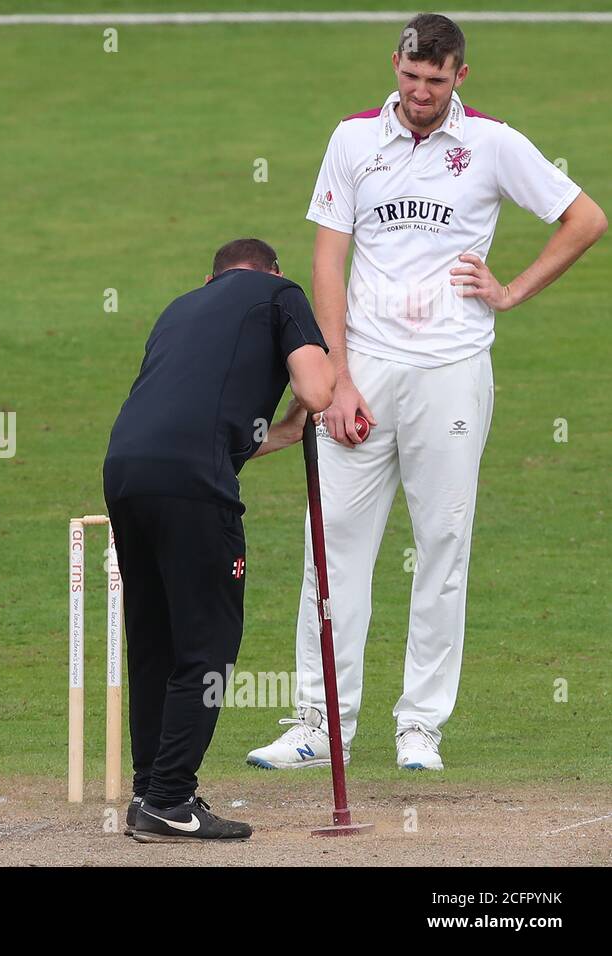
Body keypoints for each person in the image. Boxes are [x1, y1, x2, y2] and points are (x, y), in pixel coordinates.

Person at [247, 14, 607, 773]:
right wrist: (335, 380)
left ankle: (420, 726)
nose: (419, 93)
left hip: (452, 370)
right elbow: (327, 262)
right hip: (364, 371)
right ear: (396, 64)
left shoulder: (493, 144)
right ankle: (319, 722)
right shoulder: (352, 139)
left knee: (442, 546)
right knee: (331, 546)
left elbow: (585, 218)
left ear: (460, 78)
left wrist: (510, 291)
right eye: (410, 77)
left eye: (435, 82)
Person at [103, 239, 335, 842]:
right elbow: (315, 390)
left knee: (154, 638)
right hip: (192, 487)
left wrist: (283, 432)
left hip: (127, 472)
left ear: (212, 280)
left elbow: (206, 416)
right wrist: (317, 396)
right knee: (205, 645)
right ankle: (171, 799)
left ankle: (150, 790)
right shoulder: (283, 294)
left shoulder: (180, 308)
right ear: (273, 273)